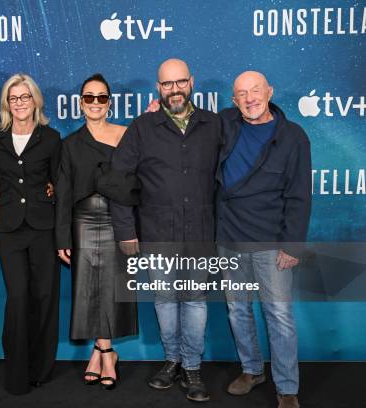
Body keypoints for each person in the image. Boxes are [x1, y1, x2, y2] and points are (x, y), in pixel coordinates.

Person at [110, 58, 222, 402]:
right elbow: (119, 180)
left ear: (192, 82)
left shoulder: (215, 124)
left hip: (201, 234)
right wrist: (126, 230)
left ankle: (192, 366)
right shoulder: (142, 127)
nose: (174, 89)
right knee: (164, 300)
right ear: (158, 88)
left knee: (195, 301)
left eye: (180, 82)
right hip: (157, 233)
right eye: (167, 84)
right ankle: (171, 360)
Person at [216, 71, 311, 408]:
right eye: (241, 93)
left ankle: (287, 388)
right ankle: (252, 370)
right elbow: (188, 122)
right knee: (238, 311)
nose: (249, 98)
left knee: (279, 316)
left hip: (272, 243)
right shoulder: (223, 124)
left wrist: (292, 245)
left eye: (255, 90)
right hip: (229, 238)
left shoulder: (293, 137)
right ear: (233, 100)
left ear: (270, 91)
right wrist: (160, 113)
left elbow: (300, 194)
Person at [55, 73, 139, 391]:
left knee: (110, 288)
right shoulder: (70, 144)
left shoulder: (126, 136)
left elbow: (135, 185)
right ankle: (106, 352)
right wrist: (62, 237)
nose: (94, 103)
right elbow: (63, 193)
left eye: (101, 97)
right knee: (89, 290)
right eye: (88, 97)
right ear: (80, 103)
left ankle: (101, 351)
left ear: (109, 103)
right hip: (84, 222)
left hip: (117, 220)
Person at [0, 73, 61, 395]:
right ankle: (16, 372)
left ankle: (41, 368)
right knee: (17, 298)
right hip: (9, 230)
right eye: (13, 98)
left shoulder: (51, 138)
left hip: (43, 228)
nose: (19, 103)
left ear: (35, 101)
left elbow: (61, 183)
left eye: (24, 97)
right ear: (7, 103)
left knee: (44, 297)